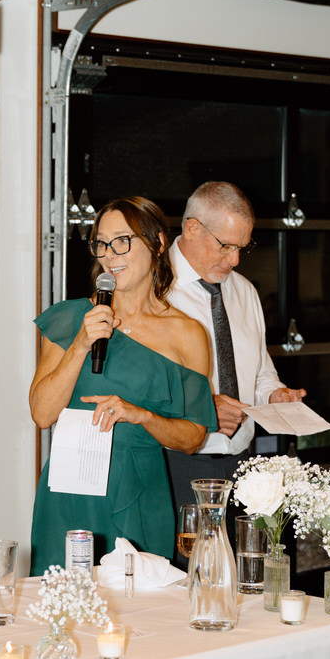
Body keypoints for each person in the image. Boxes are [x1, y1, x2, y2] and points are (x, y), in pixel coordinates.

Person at [29, 197, 216, 571]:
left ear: (158, 244)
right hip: (70, 490)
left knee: (140, 611)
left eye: (122, 241)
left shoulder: (187, 334)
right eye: (101, 243)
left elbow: (194, 436)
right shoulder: (70, 319)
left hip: (140, 489)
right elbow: (42, 413)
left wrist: (142, 416)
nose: (110, 255)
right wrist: (81, 343)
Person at [164, 181, 307, 508]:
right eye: (226, 246)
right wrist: (201, 407)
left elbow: (259, 372)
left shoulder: (244, 291)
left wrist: (274, 394)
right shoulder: (152, 288)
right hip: (174, 462)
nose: (236, 260)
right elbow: (133, 388)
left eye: (243, 247)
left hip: (242, 462)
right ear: (193, 228)